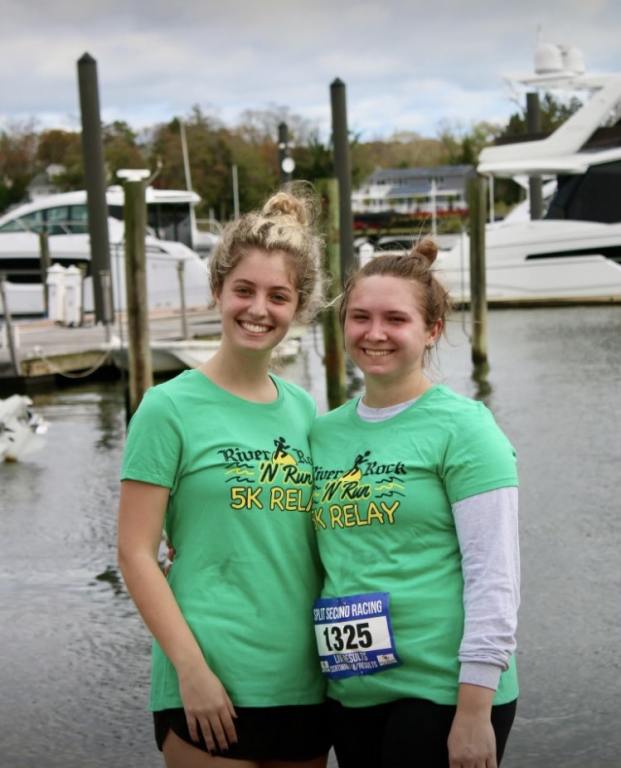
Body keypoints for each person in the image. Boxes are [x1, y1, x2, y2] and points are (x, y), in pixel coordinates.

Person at [117, 188, 331, 768]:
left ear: (298, 307)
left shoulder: (305, 411)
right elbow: (135, 553)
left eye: (278, 296)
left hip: (304, 682)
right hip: (208, 682)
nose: (258, 308)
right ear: (218, 291)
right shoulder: (166, 407)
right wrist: (191, 671)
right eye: (244, 289)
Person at [309, 239, 520, 768]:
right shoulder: (323, 433)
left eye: (394, 319)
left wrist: (474, 709)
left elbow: (494, 573)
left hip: (443, 693)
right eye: (359, 317)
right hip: (351, 688)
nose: (374, 333)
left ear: (431, 331)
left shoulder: (465, 428)